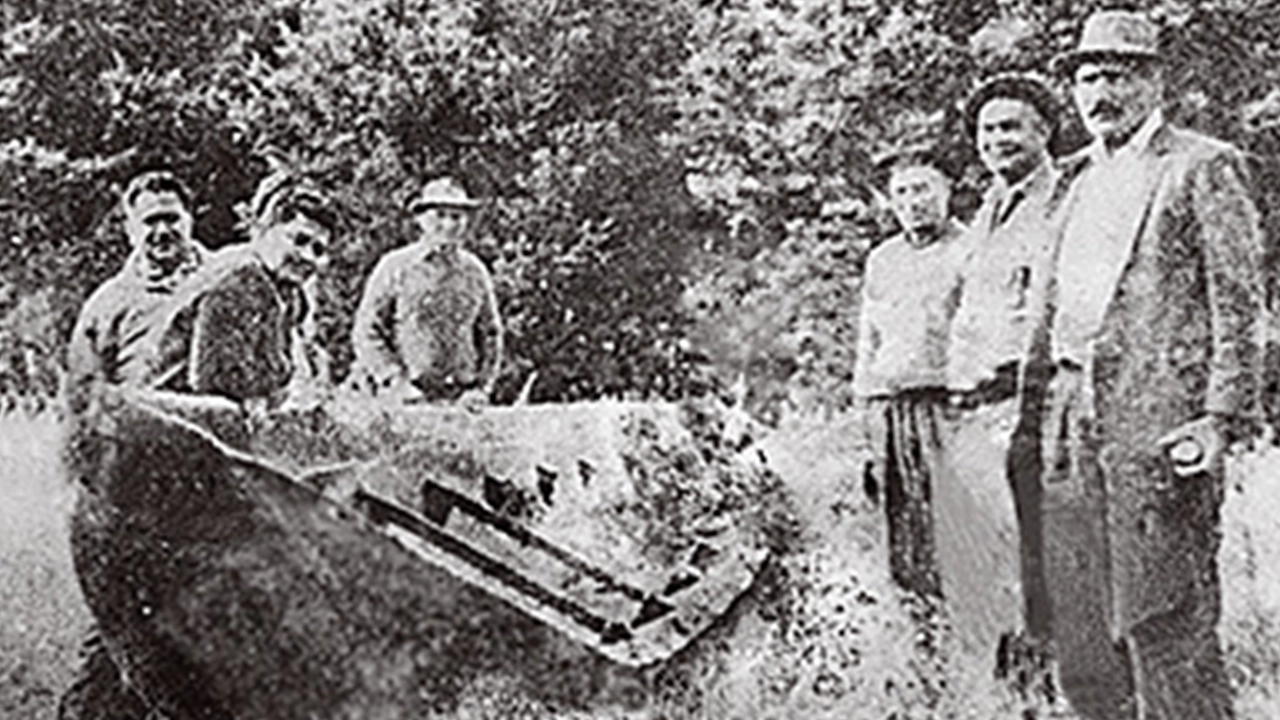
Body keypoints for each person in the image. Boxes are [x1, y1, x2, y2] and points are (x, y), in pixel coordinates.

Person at [1041, 11, 1263, 718]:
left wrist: (1219, 417)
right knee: (1081, 622)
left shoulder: (1202, 164)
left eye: (1118, 75)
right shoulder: (1072, 178)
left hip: (1162, 425)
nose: (1100, 92)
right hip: (1069, 421)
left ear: (1154, 80)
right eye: (1087, 78)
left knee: (1164, 614)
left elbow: (1239, 303)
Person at [935, 73, 1071, 696]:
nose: (997, 139)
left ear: (1044, 130)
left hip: (1030, 404)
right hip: (973, 413)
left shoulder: (1066, 198)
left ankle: (1050, 687)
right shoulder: (986, 208)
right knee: (988, 554)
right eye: (987, 130)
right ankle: (1007, 689)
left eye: (1011, 126)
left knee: (1038, 553)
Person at [853, 144, 965, 602]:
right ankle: (921, 645)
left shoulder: (971, 249)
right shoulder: (883, 258)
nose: (912, 202)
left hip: (950, 408)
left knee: (958, 530)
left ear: (947, 189)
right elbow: (869, 341)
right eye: (900, 194)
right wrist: (865, 416)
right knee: (903, 532)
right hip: (891, 411)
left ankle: (980, 651)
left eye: (922, 189)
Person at [151, 173, 336, 407]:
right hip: (170, 413)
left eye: (318, 250)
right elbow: (215, 381)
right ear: (265, 229)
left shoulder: (288, 291)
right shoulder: (241, 279)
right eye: (299, 240)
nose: (307, 257)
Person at [350, 177, 502, 406]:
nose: (449, 225)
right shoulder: (395, 266)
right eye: (440, 215)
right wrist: (394, 380)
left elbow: (490, 334)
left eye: (456, 217)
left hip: (462, 401)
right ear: (421, 219)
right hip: (406, 398)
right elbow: (366, 332)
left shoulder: (474, 271)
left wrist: (482, 388)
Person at [65, 170, 206, 413]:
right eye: (150, 221)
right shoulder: (107, 303)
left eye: (171, 219)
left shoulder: (222, 277)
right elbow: (82, 393)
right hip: (143, 432)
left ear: (190, 220)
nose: (162, 231)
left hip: (220, 432)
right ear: (131, 230)